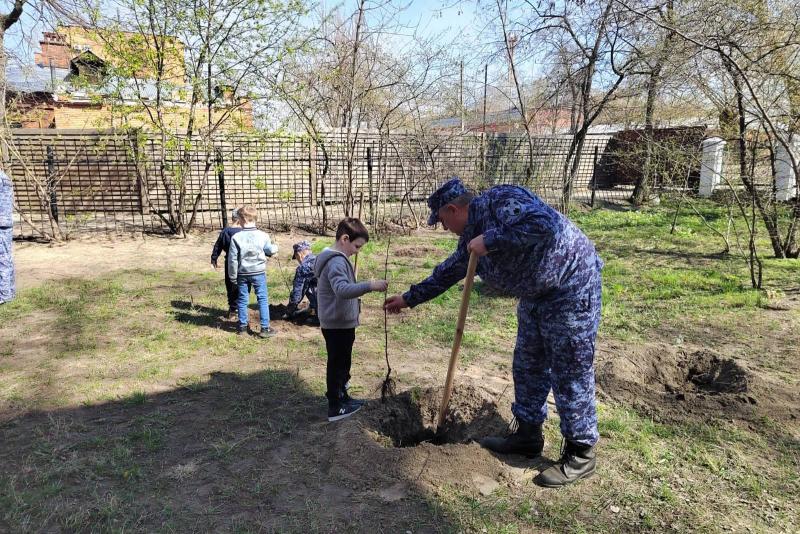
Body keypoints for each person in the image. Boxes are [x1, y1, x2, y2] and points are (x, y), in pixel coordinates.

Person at [384, 177, 603, 488]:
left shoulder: (501, 201)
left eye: (443, 221)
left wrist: (492, 239)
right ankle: (527, 435)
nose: (444, 228)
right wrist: (408, 299)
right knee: (527, 364)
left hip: (571, 286)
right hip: (535, 295)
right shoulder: (470, 238)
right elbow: (450, 271)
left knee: (569, 368)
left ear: (453, 209)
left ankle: (581, 453)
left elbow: (546, 224)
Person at [314, 218, 388, 422]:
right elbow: (342, 290)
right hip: (337, 324)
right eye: (357, 246)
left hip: (341, 322)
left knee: (343, 363)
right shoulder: (336, 261)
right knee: (337, 364)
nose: (358, 251)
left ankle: (343, 397)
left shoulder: (336, 258)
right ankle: (335, 406)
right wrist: (370, 285)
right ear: (345, 239)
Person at [227, 205, 279, 338]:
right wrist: (275, 247)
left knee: (243, 299)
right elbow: (269, 250)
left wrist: (232, 276)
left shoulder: (236, 238)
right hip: (258, 273)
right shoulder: (263, 235)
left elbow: (232, 260)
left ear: (241, 220)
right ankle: (265, 329)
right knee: (262, 299)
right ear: (255, 219)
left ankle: (242, 327)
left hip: (242, 273)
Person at [211, 207, 243, 320]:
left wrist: (214, 258)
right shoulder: (245, 232)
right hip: (244, 263)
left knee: (230, 286)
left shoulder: (225, 232)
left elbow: (218, 246)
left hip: (229, 263)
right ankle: (241, 309)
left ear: (232, 218)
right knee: (243, 286)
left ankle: (233, 309)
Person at [287, 240, 319, 325]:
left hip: (328, 296)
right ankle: (314, 307)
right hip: (341, 294)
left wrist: (291, 309)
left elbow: (298, 291)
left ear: (299, 255)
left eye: (296, 257)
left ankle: (320, 317)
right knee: (313, 283)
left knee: (308, 287)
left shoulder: (303, 267)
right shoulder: (318, 259)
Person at [0, 169, 15, 305]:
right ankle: (9, 293)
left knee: (2, 261)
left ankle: (4, 295)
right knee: (6, 259)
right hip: (6, 222)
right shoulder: (5, 177)